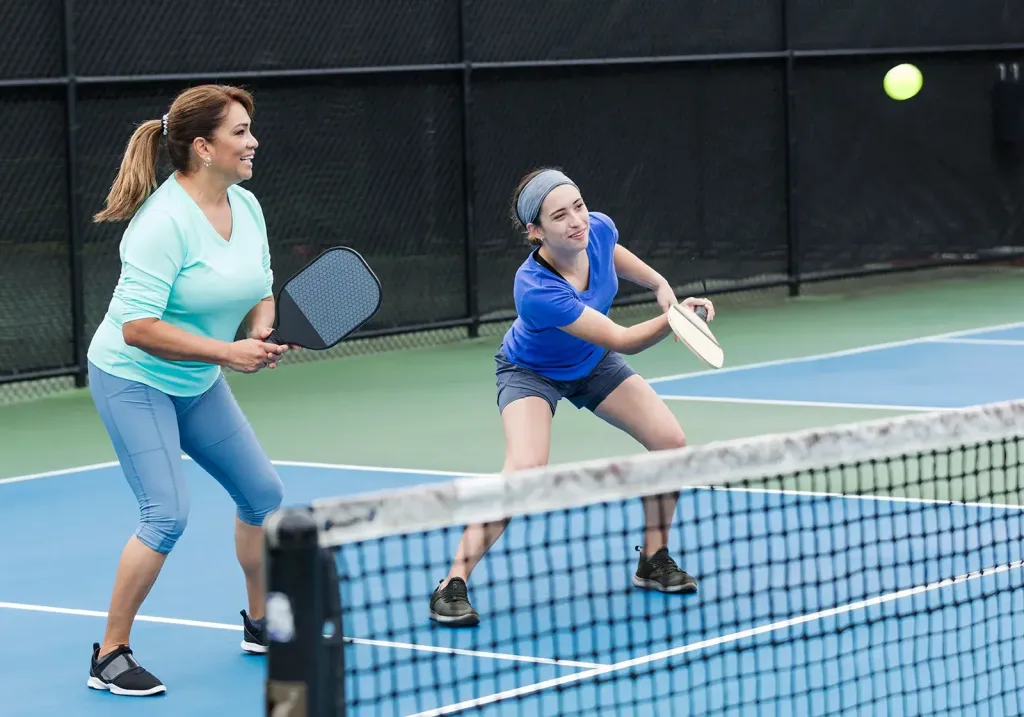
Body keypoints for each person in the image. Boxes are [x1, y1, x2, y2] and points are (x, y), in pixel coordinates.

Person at [429, 168, 715, 627]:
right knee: (524, 471)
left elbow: (611, 252)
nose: (576, 221)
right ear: (535, 231)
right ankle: (452, 583)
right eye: (559, 216)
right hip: (531, 372)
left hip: (591, 363)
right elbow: (623, 339)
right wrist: (676, 319)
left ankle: (654, 557)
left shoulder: (595, 228)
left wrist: (660, 285)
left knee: (670, 443)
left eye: (578, 206)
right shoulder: (535, 288)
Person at [85, 84, 291, 696]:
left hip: (195, 380)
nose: (252, 142)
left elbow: (260, 280)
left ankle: (260, 623)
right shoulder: (162, 224)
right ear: (203, 147)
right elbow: (138, 327)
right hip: (132, 377)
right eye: (239, 132)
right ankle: (111, 654)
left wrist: (261, 322)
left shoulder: (245, 206)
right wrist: (229, 351)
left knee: (262, 493)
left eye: (250, 129)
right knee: (166, 514)